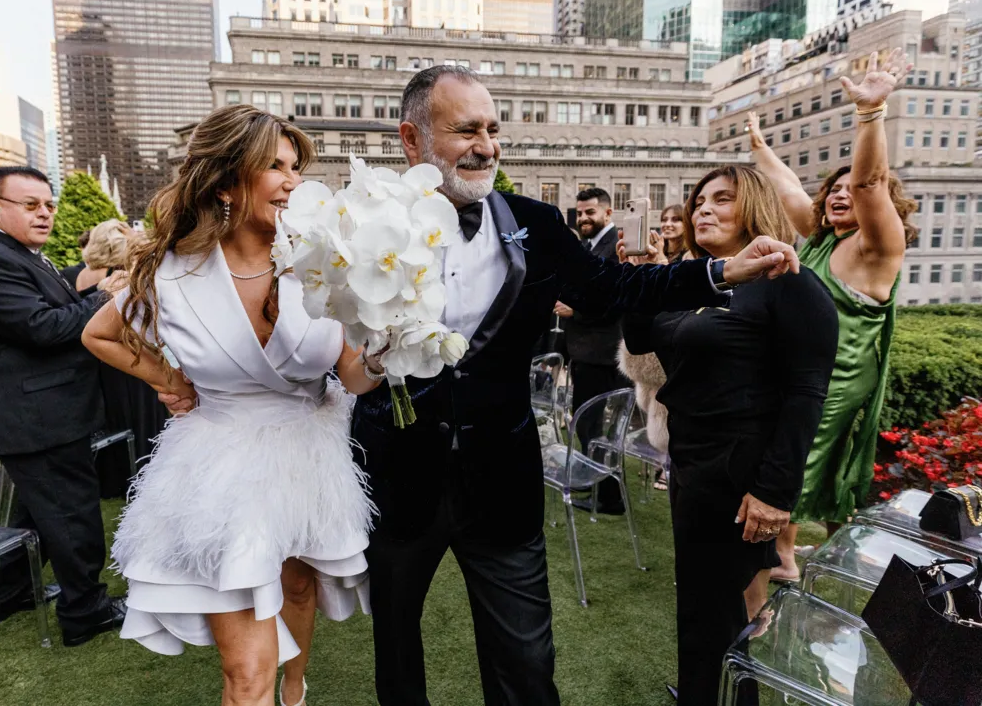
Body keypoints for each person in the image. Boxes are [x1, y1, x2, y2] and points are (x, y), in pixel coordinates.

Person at [352, 65, 804, 706]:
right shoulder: (363, 220)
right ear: (411, 138)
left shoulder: (535, 223)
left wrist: (719, 271)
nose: (487, 145)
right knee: (397, 656)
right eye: (465, 130)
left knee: (527, 665)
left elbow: (612, 290)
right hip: (397, 476)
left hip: (501, 482)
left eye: (493, 128)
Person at [82, 105, 384, 706]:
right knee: (247, 676)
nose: (293, 181)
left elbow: (352, 378)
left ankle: (295, 690)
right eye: (274, 166)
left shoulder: (323, 260)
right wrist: (167, 375)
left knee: (298, 589)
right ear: (225, 181)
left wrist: (385, 348)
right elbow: (98, 334)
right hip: (217, 468)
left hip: (308, 455)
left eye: (296, 166)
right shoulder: (170, 273)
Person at [622, 166, 838, 706]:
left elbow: (807, 393)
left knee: (722, 609)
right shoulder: (700, 279)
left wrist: (776, 492)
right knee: (700, 603)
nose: (702, 210)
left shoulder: (788, 280)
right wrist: (644, 278)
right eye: (698, 201)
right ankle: (701, 692)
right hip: (693, 463)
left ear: (756, 207)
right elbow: (639, 336)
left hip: (743, 470)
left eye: (722, 199)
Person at [749, 48, 917, 583]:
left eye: (853, 190)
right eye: (834, 190)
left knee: (806, 447)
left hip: (838, 373)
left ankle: (785, 556)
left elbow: (869, 183)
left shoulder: (877, 247)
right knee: (785, 438)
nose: (843, 194)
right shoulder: (822, 235)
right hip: (797, 364)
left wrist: (871, 113)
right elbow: (788, 188)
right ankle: (782, 546)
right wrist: (758, 145)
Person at [0, 166, 126, 647]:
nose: (45, 213)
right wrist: (103, 299)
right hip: (36, 415)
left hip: (42, 410)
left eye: (48, 205)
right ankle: (84, 611)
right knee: (73, 516)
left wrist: (92, 297)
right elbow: (41, 326)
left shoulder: (16, 252)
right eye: (31, 205)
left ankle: (6, 595)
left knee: (37, 515)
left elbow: (49, 315)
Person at [554, 187, 630, 514]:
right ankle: (603, 491)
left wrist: (576, 310)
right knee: (590, 427)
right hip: (584, 351)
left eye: (590, 213)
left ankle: (608, 497)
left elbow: (617, 298)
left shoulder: (615, 247)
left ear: (607, 214)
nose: (584, 218)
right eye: (580, 213)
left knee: (594, 427)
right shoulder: (589, 245)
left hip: (601, 353)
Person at [81, 219, 167, 497]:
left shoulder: (80, 274)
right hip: (126, 355)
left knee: (115, 419)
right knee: (138, 419)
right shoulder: (118, 278)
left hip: (99, 364)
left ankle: (114, 476)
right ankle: (141, 471)